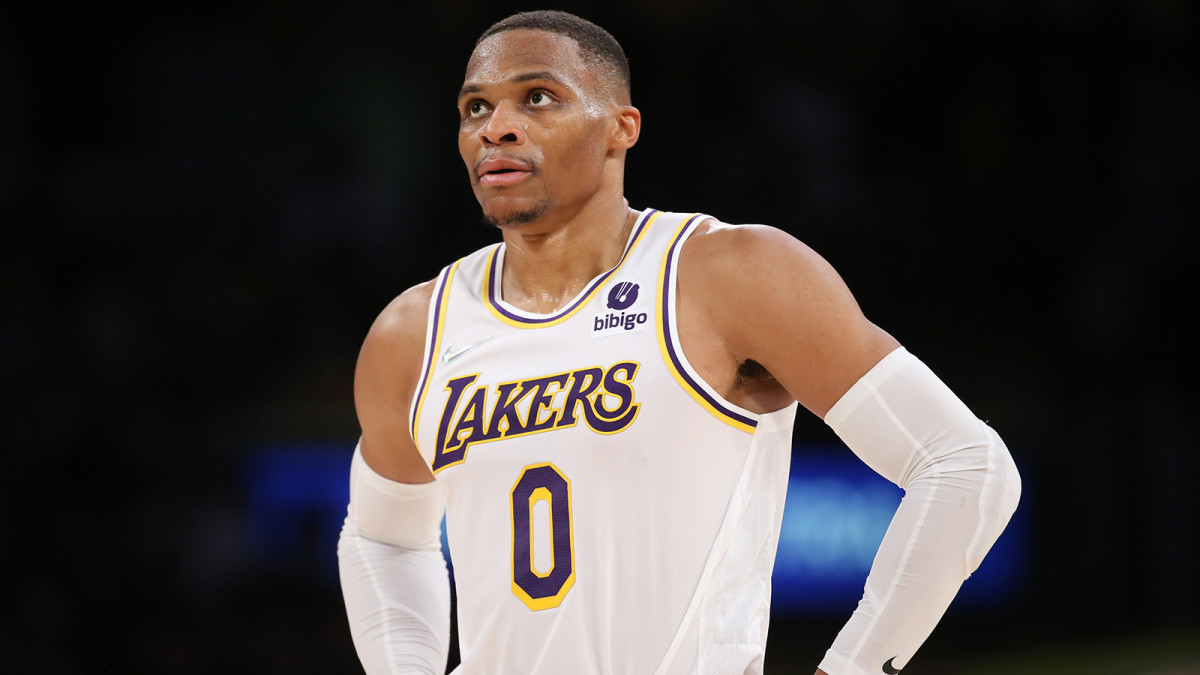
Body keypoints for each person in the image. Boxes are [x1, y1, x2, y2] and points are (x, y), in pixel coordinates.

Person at [337, 10, 1020, 675]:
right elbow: (382, 537)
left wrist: (858, 665)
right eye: (476, 108)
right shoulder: (414, 331)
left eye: (537, 98)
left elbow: (967, 465)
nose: (498, 128)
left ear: (620, 129)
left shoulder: (729, 273)